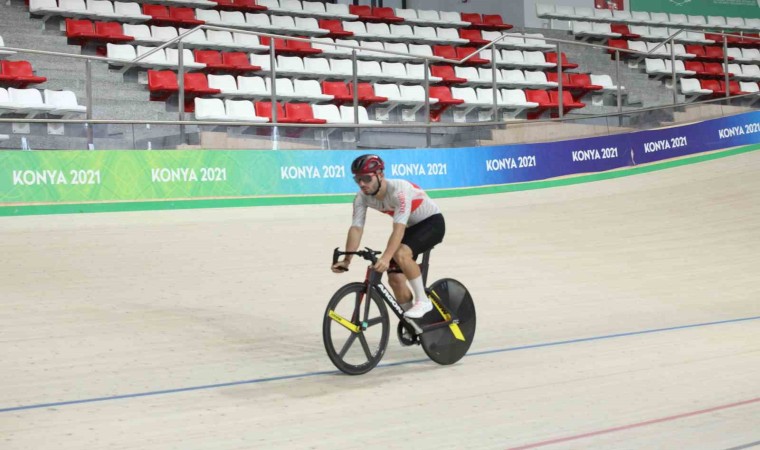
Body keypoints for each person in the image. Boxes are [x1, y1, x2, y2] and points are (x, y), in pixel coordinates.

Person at [331, 154, 446, 319]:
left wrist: (386, 257)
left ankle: (423, 300)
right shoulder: (361, 197)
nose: (362, 183)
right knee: (395, 279)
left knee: (400, 253)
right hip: (412, 228)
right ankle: (413, 323)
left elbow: (398, 229)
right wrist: (347, 259)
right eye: (358, 179)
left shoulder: (399, 190)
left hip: (432, 223)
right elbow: (356, 228)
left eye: (366, 178)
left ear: (380, 175)